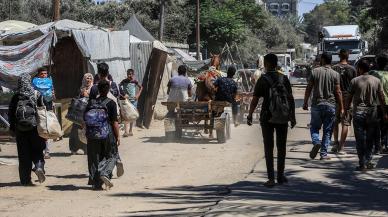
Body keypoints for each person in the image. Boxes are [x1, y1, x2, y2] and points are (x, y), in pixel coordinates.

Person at [247, 53, 296, 187]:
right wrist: (292, 116)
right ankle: (280, 176)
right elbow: (290, 98)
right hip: (282, 116)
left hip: (267, 117)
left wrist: (250, 114)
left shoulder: (263, 79)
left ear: (267, 64)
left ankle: (271, 178)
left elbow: (255, 99)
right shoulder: (284, 78)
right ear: (276, 63)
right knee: (282, 147)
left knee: (268, 147)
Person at [346, 59, 387, 171]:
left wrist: (346, 110)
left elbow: (349, 97)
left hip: (358, 113)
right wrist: (384, 113)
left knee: (360, 140)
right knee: (369, 139)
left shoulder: (355, 81)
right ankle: (368, 160)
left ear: (359, 68)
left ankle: (362, 163)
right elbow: (382, 98)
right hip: (372, 113)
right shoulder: (376, 80)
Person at [303, 52, 343, 160]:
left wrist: (305, 102)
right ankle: (323, 154)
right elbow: (338, 92)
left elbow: (309, 88)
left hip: (317, 105)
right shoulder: (335, 74)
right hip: (330, 105)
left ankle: (316, 142)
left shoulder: (314, 72)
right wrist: (342, 107)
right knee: (328, 130)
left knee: (314, 127)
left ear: (323, 60)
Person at [8, 74, 46, 185]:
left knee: (23, 155)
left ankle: (25, 180)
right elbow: (43, 110)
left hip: (20, 129)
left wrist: (12, 128)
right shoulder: (36, 94)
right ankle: (39, 166)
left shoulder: (16, 96)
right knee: (37, 150)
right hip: (35, 128)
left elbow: (11, 114)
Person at [89, 63, 124, 178]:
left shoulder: (94, 88)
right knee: (111, 146)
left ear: (98, 73)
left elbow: (90, 105)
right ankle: (113, 163)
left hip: (95, 125)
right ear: (108, 72)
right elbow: (119, 98)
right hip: (111, 119)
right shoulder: (114, 85)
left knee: (96, 153)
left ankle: (95, 178)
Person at [85, 80, 120, 190]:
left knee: (94, 157)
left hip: (92, 134)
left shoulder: (91, 103)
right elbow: (114, 122)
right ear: (108, 89)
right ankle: (105, 173)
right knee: (112, 155)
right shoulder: (111, 103)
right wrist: (117, 136)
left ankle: (96, 183)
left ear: (98, 89)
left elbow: (84, 119)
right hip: (107, 132)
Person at [331, 49, 357, 155]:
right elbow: (355, 85)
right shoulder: (352, 69)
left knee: (334, 121)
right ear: (348, 56)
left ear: (338, 56)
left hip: (335, 98)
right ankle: (341, 147)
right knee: (345, 122)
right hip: (347, 98)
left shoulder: (334, 68)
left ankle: (336, 143)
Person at [32, 67, 55, 159]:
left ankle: (47, 151)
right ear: (38, 74)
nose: (44, 75)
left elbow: (53, 95)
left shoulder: (50, 82)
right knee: (39, 129)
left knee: (47, 129)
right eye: (42, 74)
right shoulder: (34, 82)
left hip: (48, 108)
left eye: (45, 74)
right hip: (38, 108)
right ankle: (40, 150)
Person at [69, 73, 94, 155]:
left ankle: (86, 148)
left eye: (90, 78)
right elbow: (76, 98)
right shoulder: (80, 89)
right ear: (84, 79)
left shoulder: (94, 88)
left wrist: (88, 96)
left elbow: (96, 98)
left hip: (89, 112)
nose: (88, 80)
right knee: (75, 130)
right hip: (79, 113)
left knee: (87, 130)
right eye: (87, 78)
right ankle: (74, 148)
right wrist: (81, 94)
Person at [370, 55, 388, 154]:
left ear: (377, 63)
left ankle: (377, 147)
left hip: (375, 103)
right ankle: (385, 144)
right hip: (387, 103)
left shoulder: (372, 73)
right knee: (385, 126)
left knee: (376, 126)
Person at [119, 69, 143, 137]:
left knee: (132, 115)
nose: (130, 75)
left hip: (133, 100)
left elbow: (141, 87)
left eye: (131, 74)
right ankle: (126, 131)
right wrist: (123, 94)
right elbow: (119, 87)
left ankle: (130, 130)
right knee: (126, 115)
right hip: (126, 101)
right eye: (128, 74)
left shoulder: (134, 81)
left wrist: (137, 95)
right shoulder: (124, 81)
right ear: (127, 74)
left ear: (133, 74)